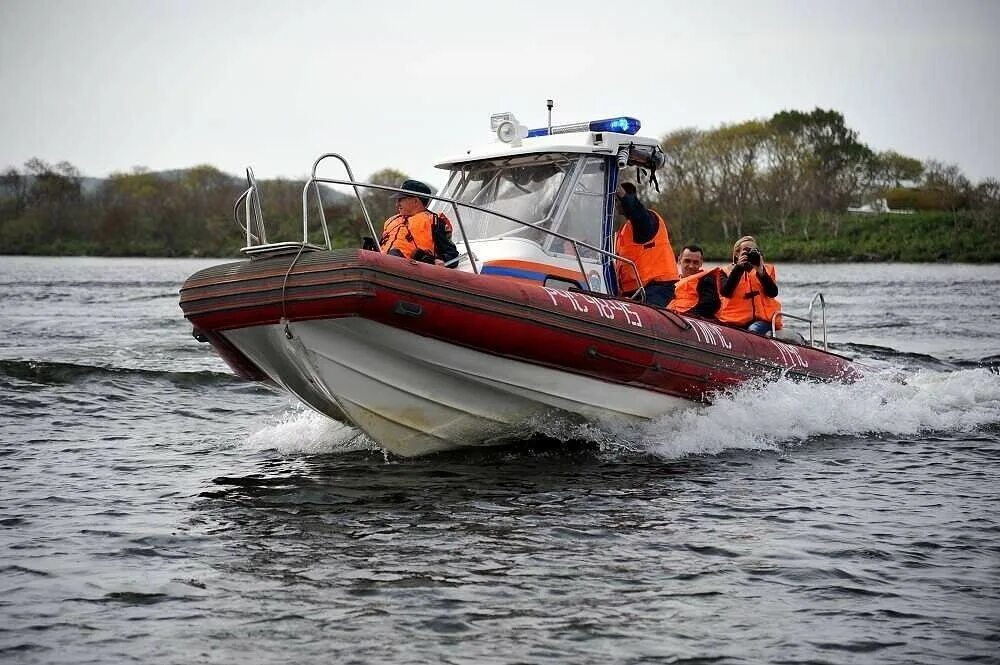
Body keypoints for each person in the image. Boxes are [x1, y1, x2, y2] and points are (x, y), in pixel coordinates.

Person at [614, 182, 678, 307]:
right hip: (637, 290)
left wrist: (623, 194)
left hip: (655, 287)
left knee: (650, 317)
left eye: (616, 201)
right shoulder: (626, 229)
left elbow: (637, 212)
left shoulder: (647, 220)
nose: (615, 205)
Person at [379, 179, 458, 267]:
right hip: (382, 263)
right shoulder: (391, 222)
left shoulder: (433, 221)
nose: (397, 204)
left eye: (401, 199)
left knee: (394, 254)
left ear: (416, 201)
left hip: (410, 269)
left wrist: (438, 260)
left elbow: (452, 256)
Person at [717, 235, 782, 334]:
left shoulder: (766, 270)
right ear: (737, 254)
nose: (750, 254)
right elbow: (726, 292)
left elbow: (773, 292)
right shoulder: (725, 271)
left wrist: (760, 271)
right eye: (747, 251)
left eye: (754, 251)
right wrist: (739, 268)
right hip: (733, 320)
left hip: (762, 321)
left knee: (754, 330)